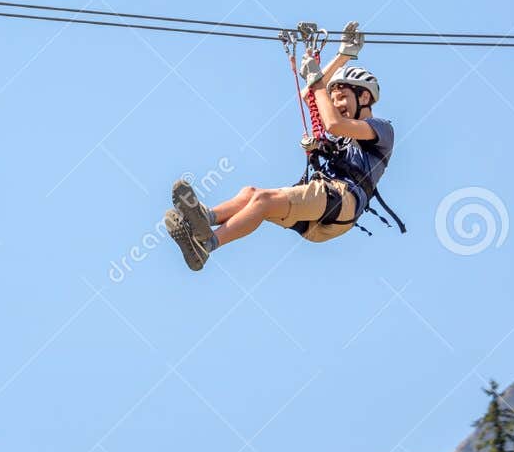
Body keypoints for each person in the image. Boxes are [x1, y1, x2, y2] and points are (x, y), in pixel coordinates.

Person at [164, 22, 396, 271]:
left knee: (263, 200)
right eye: (335, 98)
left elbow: (332, 123)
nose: (337, 103)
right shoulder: (343, 135)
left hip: (341, 201)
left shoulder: (381, 129)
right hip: (324, 212)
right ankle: (204, 219)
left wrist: (318, 80)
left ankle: (206, 246)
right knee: (251, 193)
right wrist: (343, 57)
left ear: (364, 97)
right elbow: (311, 96)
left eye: (343, 97)